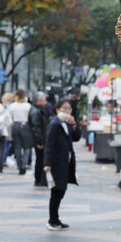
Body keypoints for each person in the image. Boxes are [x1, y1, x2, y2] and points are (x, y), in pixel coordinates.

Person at [43, 98, 81, 231]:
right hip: (56, 163)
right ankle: (52, 220)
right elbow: (49, 145)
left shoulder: (67, 124)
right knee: (57, 191)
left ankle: (55, 219)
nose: (67, 111)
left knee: (61, 190)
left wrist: (75, 124)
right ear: (57, 110)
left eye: (69, 109)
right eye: (64, 108)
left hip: (66, 162)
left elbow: (76, 138)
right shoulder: (54, 124)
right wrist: (47, 163)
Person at [9, 89, 34, 175]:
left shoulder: (12, 106)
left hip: (15, 125)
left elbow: (10, 117)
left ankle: (19, 165)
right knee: (27, 147)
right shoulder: (28, 106)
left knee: (17, 147)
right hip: (26, 125)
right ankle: (24, 164)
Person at [29, 91, 50, 187]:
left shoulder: (37, 110)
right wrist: (40, 141)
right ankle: (40, 179)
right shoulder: (35, 111)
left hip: (40, 139)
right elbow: (35, 127)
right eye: (44, 100)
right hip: (39, 141)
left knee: (40, 160)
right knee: (40, 160)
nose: (45, 103)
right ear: (38, 101)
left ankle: (40, 179)